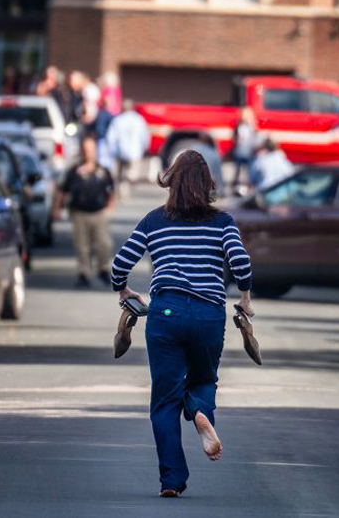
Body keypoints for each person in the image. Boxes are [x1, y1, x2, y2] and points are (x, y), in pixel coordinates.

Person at [109, 149, 254, 498]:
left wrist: (124, 290)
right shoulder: (222, 223)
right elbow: (240, 262)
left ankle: (171, 479)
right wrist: (246, 299)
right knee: (204, 378)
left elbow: (119, 265)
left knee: (164, 401)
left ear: (171, 182)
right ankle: (201, 411)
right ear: (207, 185)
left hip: (166, 313)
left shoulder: (153, 220)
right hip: (207, 314)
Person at [53, 135, 116, 287]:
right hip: (79, 212)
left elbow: (112, 190)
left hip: (99, 212)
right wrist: (56, 208)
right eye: (86, 150)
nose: (89, 153)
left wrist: (109, 208)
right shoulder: (74, 171)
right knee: (82, 245)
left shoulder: (102, 171)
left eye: (91, 149)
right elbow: (62, 190)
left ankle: (103, 270)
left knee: (104, 244)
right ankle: (84, 273)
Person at [108, 99, 151, 190]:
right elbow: (145, 135)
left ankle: (121, 189)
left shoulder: (118, 120)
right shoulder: (138, 119)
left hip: (120, 151)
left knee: (120, 174)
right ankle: (126, 186)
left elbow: (111, 137)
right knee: (131, 172)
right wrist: (145, 147)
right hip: (134, 151)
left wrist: (112, 150)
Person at [230, 107, 259, 188]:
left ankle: (245, 183)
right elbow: (234, 138)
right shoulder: (242, 126)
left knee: (245, 169)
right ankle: (240, 183)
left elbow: (234, 138)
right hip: (243, 151)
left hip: (246, 151)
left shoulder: (250, 126)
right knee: (242, 169)